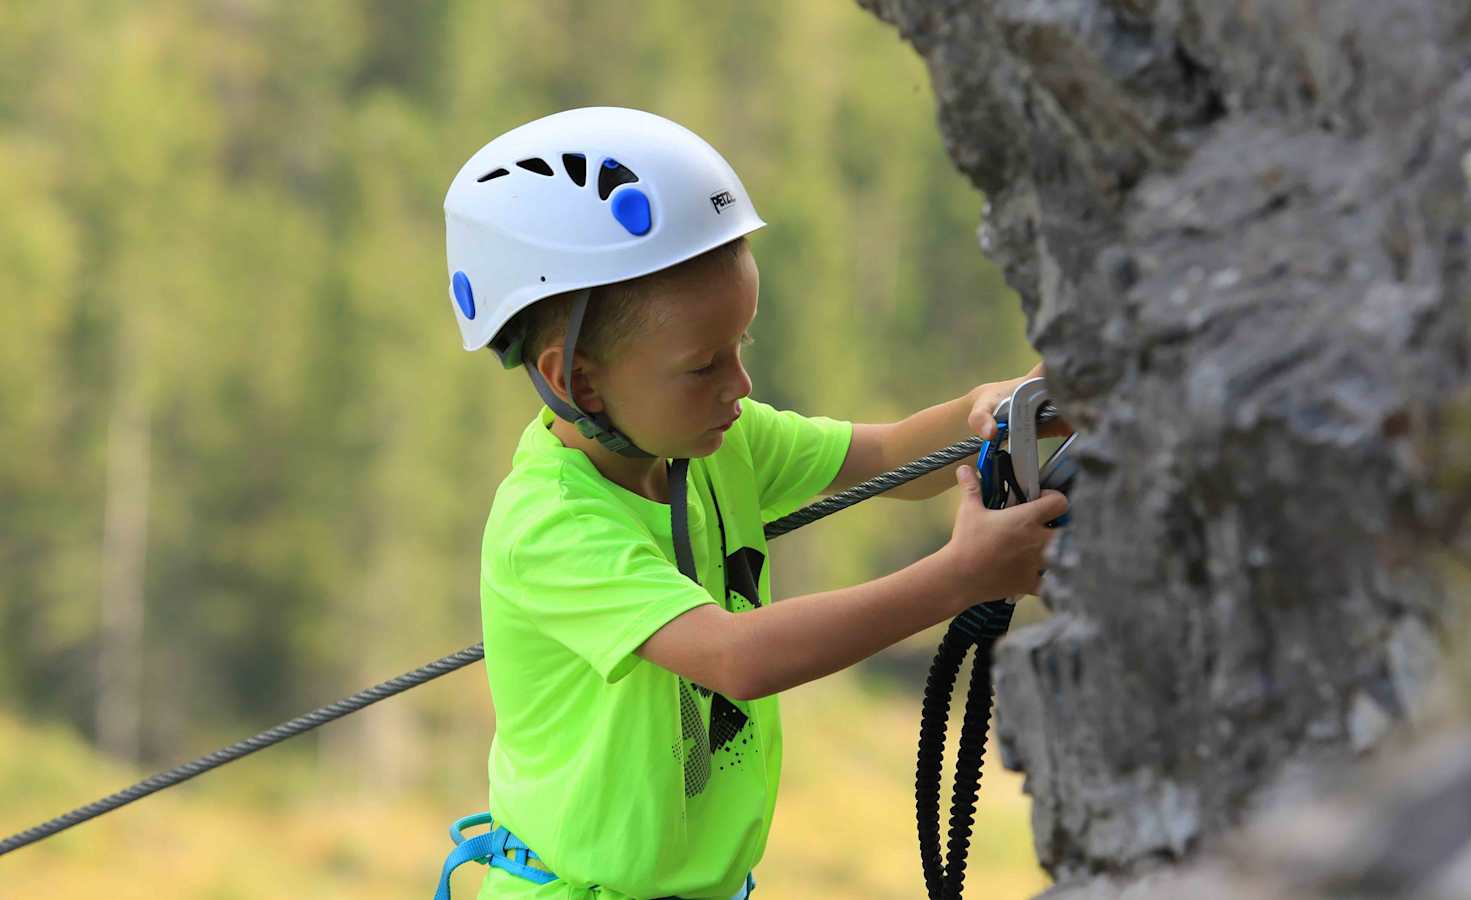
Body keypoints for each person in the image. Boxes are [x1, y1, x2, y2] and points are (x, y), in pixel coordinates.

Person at [436, 107, 1067, 900]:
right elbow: (739, 660)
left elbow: (887, 460)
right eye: (704, 365)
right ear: (577, 382)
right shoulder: (551, 523)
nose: (739, 387)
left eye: (743, 347)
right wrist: (959, 578)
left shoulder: (713, 441)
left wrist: (1022, 401)